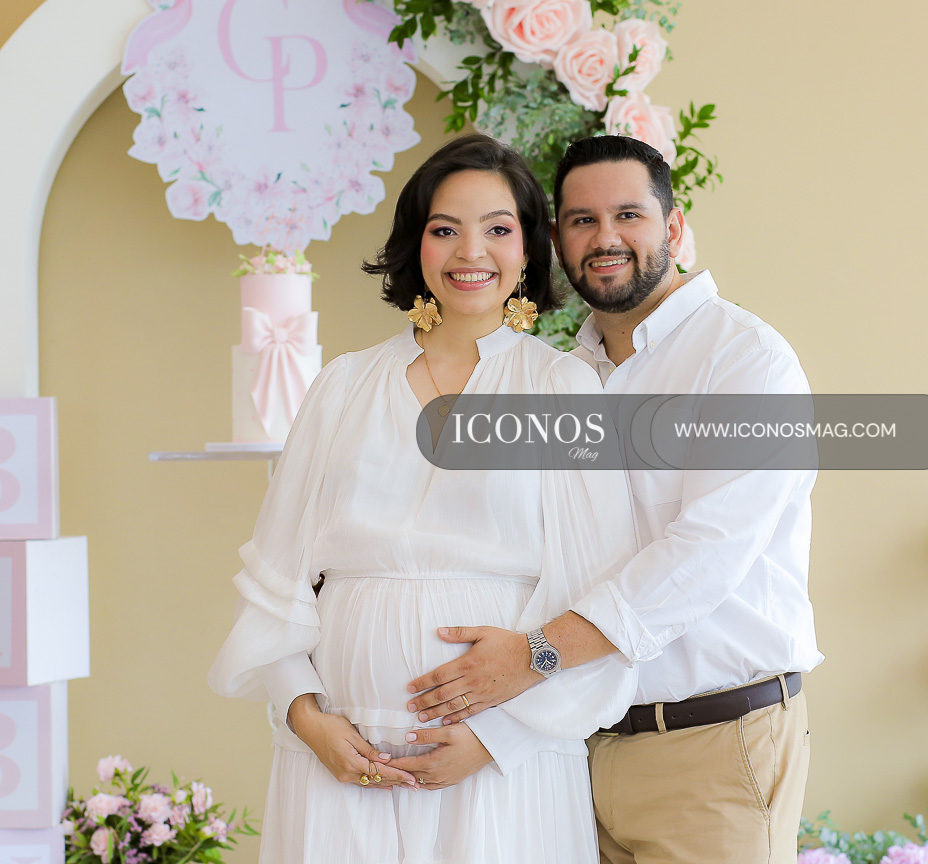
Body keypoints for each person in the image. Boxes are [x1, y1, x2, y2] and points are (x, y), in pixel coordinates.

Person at [207, 134, 640, 863]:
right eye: (445, 229)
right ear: (416, 244)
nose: (471, 251)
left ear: (529, 249)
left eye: (497, 229)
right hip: (338, 758)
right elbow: (274, 582)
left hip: (504, 764)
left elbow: (601, 601)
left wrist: (496, 740)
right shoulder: (343, 386)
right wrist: (307, 719)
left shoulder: (562, 388)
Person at [403, 135, 823, 864]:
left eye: (628, 215)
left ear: (674, 226)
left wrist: (533, 655)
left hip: (711, 745)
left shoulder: (743, 359)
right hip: (576, 752)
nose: (605, 238)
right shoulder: (566, 374)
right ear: (556, 239)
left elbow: (703, 556)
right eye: (581, 220)